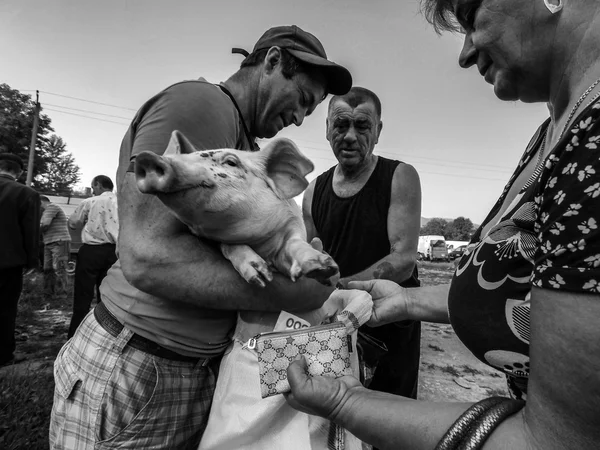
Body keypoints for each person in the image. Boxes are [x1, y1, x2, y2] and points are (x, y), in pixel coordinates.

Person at [285, 1, 600, 449]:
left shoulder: (594, 136)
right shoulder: (555, 129)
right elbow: (522, 292)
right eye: (339, 125)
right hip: (349, 321)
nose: (465, 54)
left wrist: (343, 403)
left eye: (472, 16)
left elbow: (557, 439)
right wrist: (410, 302)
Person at [50, 25, 352, 449]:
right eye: (303, 99)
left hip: (187, 366)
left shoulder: (243, 143)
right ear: (272, 61)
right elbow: (146, 256)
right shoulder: (205, 104)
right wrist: (294, 293)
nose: (301, 118)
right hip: (140, 361)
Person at [303, 86, 422, 403]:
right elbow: (311, 258)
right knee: (336, 414)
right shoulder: (314, 191)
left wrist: (341, 288)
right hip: (336, 326)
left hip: (389, 325)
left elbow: (403, 259)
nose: (351, 136)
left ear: (378, 131)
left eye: (363, 125)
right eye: (341, 125)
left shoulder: (399, 176)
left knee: (390, 419)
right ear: (327, 129)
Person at [0, 153, 40, 367]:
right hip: (7, 264)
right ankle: (4, 355)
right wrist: (32, 262)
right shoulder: (26, 194)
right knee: (5, 309)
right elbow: (31, 233)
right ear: (20, 172)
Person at [66, 175, 118, 338]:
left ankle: (75, 335)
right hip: (114, 252)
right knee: (108, 296)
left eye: (93, 186)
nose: (93, 189)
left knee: (83, 294)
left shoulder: (90, 201)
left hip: (91, 250)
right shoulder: (122, 202)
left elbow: (74, 223)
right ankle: (104, 335)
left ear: (98, 185)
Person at [40, 196, 71, 299]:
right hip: (49, 242)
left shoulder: (52, 207)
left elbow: (45, 225)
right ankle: (48, 293)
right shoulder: (45, 212)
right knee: (47, 269)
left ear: (41, 202)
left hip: (59, 241)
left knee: (59, 268)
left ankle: (62, 294)